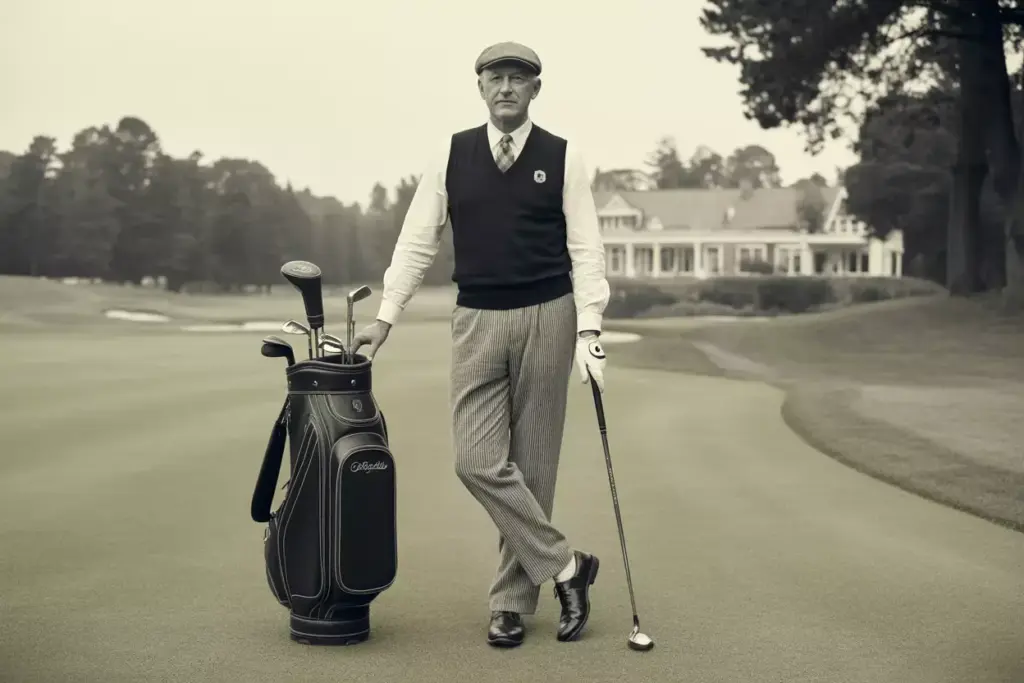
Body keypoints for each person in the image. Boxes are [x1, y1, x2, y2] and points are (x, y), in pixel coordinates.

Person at [350, 40, 610, 648]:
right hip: (475, 318)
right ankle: (567, 565)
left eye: (519, 78)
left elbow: (586, 248)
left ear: (536, 89)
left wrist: (590, 328)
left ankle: (510, 605)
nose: (506, 88)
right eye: (497, 78)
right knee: (475, 461)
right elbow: (417, 242)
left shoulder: (563, 157)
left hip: (549, 314)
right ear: (481, 87)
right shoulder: (451, 155)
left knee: (535, 467)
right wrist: (385, 317)